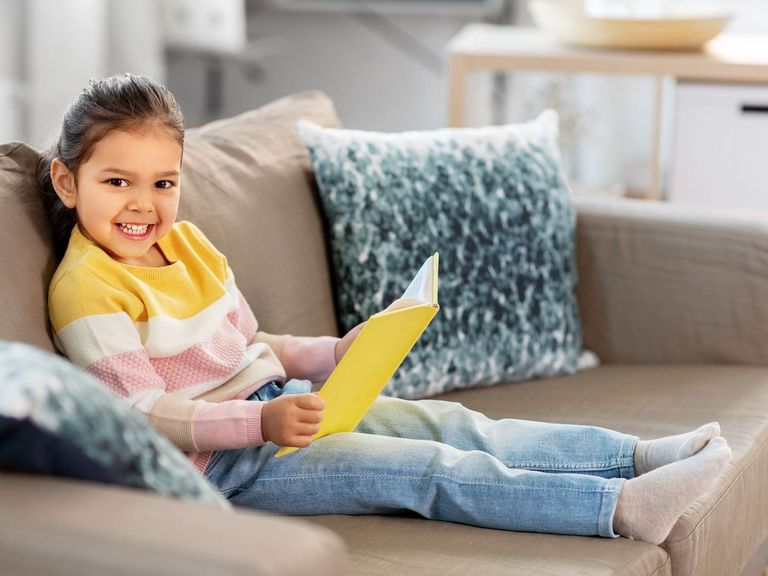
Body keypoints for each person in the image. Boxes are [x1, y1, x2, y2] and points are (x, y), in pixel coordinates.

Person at [41, 74, 731, 544]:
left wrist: (335, 353)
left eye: (163, 181)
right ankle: (620, 511)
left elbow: (254, 345)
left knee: (457, 423)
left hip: (286, 404)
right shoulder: (86, 289)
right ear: (68, 182)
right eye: (117, 182)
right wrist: (261, 420)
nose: (144, 203)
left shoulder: (186, 242)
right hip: (226, 467)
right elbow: (139, 416)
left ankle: (634, 457)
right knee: (428, 469)